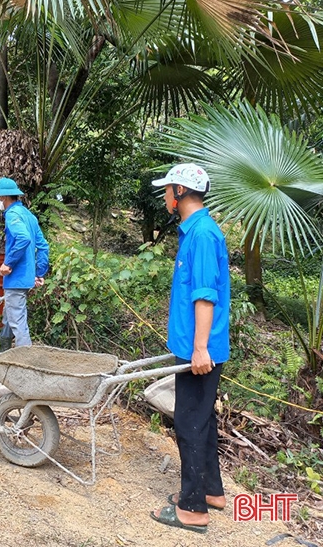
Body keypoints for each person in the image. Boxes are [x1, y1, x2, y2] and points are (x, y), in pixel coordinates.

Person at [150, 163, 230, 534]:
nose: (165, 195)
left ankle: (193, 509)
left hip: (201, 350)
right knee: (203, 419)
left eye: (168, 190)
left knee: (189, 422)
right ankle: (211, 491)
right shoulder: (197, 231)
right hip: (196, 346)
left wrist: (200, 349)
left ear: (180, 192)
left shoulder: (201, 235)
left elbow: (204, 296)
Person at [0, 177, 49, 348]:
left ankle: (25, 362)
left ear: (4, 198)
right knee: (10, 315)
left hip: (16, 277)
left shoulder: (12, 215)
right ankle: (3, 350)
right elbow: (43, 246)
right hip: (26, 277)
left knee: (18, 322)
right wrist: (39, 273)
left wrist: (9, 263)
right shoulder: (29, 216)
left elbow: (23, 238)